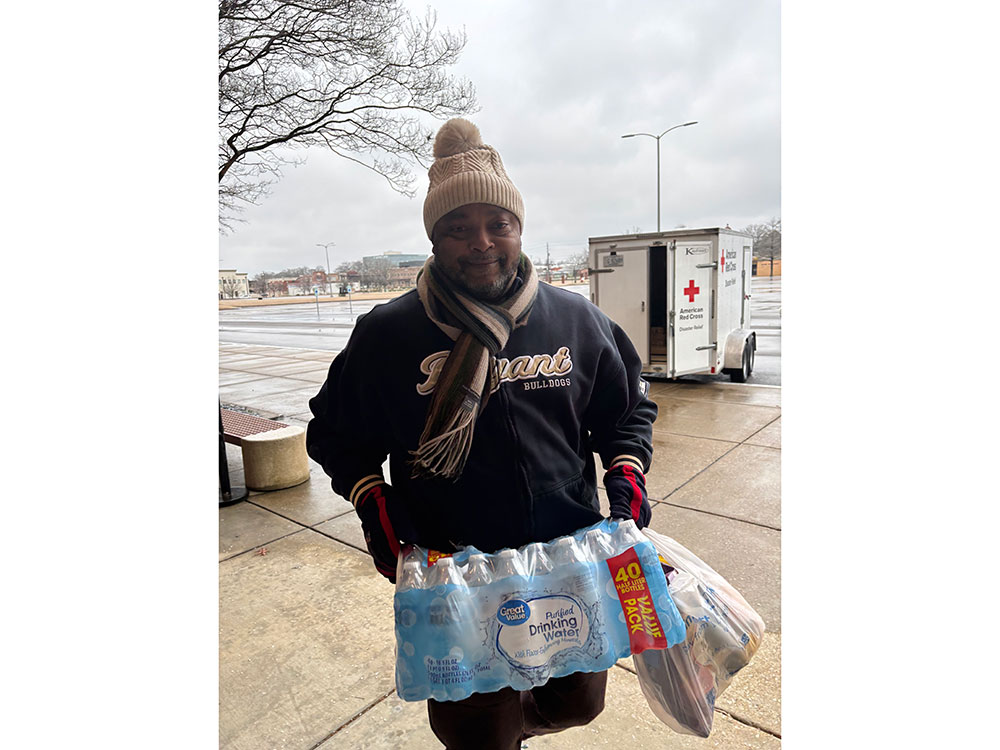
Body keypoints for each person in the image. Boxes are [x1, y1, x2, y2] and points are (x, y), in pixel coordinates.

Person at [307, 118, 657, 750]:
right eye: (458, 228)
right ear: (435, 240)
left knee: (580, 703)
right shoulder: (388, 335)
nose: (482, 242)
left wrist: (626, 472)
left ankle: (517, 722)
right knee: (477, 734)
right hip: (456, 574)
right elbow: (336, 435)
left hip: (567, 563)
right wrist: (374, 504)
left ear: (519, 229)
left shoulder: (575, 319)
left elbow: (625, 410)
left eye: (499, 224)